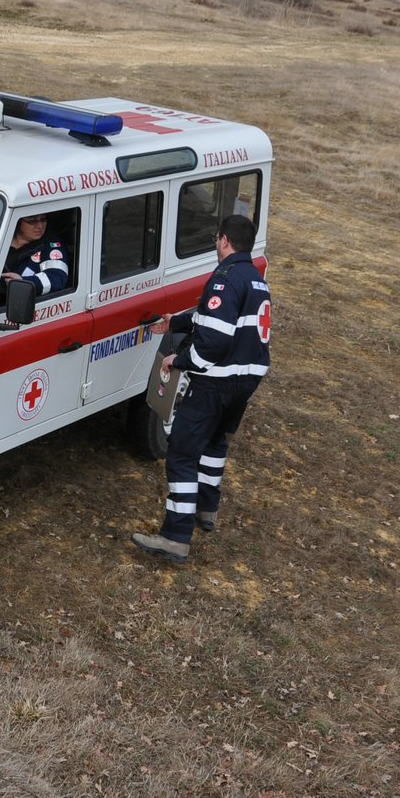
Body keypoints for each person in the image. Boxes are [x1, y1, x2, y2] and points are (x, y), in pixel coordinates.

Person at [132, 214, 272, 565]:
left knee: (181, 451)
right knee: (214, 440)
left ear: (224, 240)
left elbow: (214, 339)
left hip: (217, 381)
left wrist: (178, 360)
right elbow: (214, 319)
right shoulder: (254, 279)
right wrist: (174, 323)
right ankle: (207, 508)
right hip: (246, 380)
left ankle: (175, 536)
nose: (215, 245)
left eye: (216, 239)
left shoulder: (224, 279)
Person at [0, 212, 69, 304]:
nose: (40, 226)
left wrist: (23, 282)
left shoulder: (52, 245)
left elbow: (57, 277)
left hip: (21, 304)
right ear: (18, 221)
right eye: (32, 220)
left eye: (43, 219)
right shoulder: (0, 237)